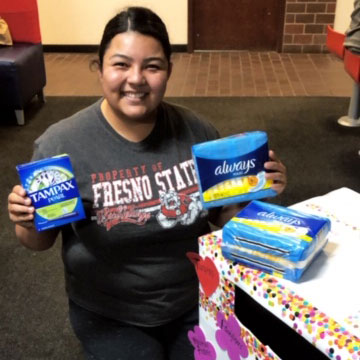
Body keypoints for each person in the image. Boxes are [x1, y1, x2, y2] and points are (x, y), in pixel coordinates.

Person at [7, 6, 287, 360]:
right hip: (109, 313)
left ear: (169, 70)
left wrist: (261, 190)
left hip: (194, 298)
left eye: (152, 66)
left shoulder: (197, 132)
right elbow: (38, 241)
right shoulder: (61, 144)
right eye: (121, 64)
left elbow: (222, 219)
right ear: (100, 68)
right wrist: (26, 220)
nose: (136, 79)